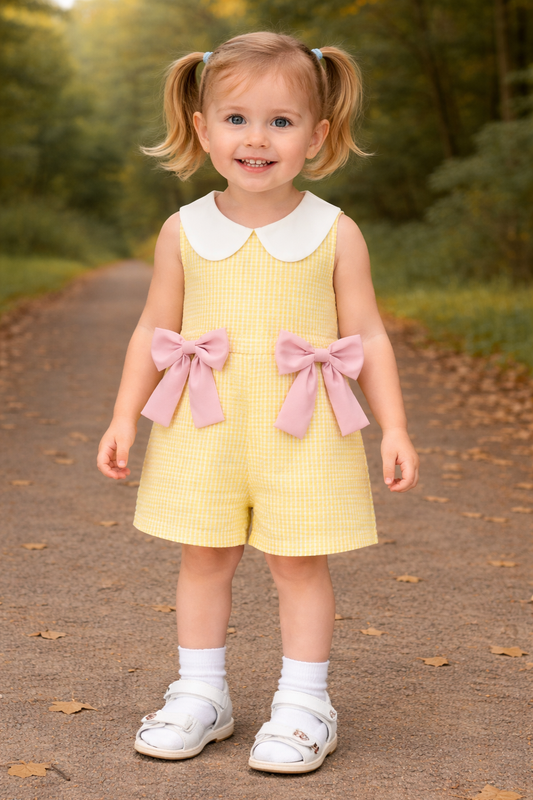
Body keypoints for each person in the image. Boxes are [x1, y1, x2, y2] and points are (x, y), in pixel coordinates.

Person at [97, 31, 419, 774]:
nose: (257, 138)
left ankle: (305, 704)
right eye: (237, 119)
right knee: (203, 556)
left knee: (297, 563)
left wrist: (394, 426)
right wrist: (122, 415)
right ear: (204, 129)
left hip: (302, 430)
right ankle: (200, 693)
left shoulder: (334, 232)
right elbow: (154, 326)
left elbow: (366, 333)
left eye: (281, 121)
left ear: (317, 135)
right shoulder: (184, 230)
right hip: (201, 427)